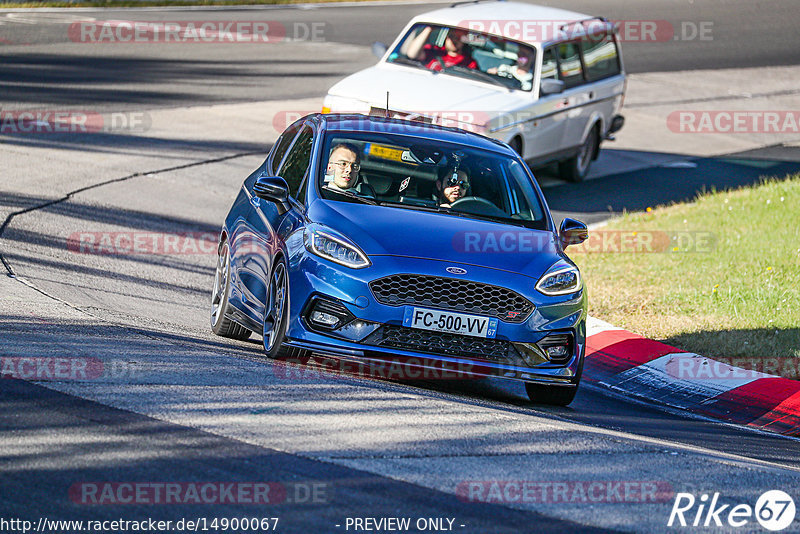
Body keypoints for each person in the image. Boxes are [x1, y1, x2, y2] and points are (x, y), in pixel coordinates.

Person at [404, 26, 478, 72]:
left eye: (458, 38)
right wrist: (429, 29)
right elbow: (412, 54)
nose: (454, 40)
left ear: (463, 41)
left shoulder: (469, 62)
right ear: (445, 38)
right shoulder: (434, 51)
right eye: (451, 37)